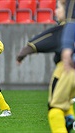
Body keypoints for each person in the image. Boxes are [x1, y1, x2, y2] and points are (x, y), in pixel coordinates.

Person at [16, 0, 75, 132]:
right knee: (66, 101)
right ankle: (70, 119)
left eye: (58, 8)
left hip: (66, 70)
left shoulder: (66, 29)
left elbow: (45, 39)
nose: (55, 11)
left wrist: (23, 52)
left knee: (55, 107)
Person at [48, 0, 75, 133]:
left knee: (55, 107)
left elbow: (71, 24)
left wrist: (67, 47)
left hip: (69, 69)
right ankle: (69, 120)